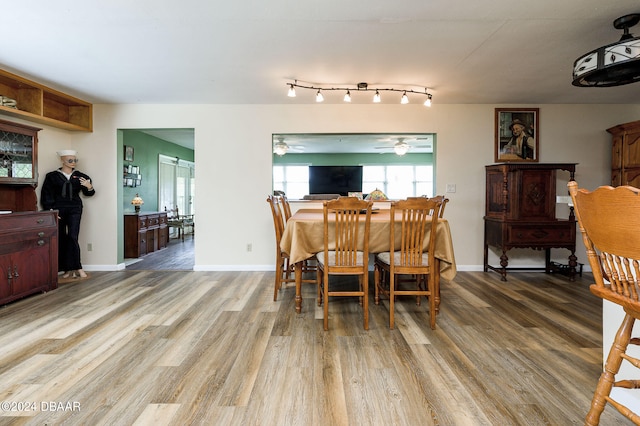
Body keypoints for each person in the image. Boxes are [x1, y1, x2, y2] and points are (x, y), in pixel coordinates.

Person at [40, 150, 95, 279]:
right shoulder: (52, 176)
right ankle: (66, 269)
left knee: (72, 237)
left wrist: (89, 186)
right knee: (60, 238)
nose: (73, 163)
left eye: (75, 160)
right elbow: (46, 194)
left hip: (75, 209)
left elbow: (89, 193)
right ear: (62, 160)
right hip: (58, 210)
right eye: (70, 160)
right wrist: (51, 210)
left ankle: (78, 267)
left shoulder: (81, 176)